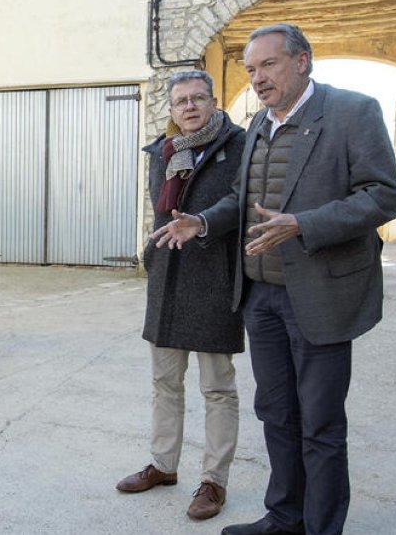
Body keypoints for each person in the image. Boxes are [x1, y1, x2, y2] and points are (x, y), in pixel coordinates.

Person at [152, 23, 396, 535]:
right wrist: (201, 222)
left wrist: (305, 224)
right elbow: (242, 200)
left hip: (319, 295)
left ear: (302, 61)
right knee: (276, 414)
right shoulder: (258, 126)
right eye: (250, 69)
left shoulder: (352, 112)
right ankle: (285, 515)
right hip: (261, 296)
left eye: (268, 65)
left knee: (321, 424)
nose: (259, 78)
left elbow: (384, 195)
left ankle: (321, 527)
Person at [116, 71, 245, 521]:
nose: (189, 107)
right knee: (165, 383)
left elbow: (241, 204)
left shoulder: (239, 146)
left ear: (213, 102)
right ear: (170, 110)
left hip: (213, 278)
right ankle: (163, 465)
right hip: (168, 278)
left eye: (197, 99)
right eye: (180, 101)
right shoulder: (165, 151)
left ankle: (214, 481)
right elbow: (157, 209)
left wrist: (203, 222)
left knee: (217, 387)